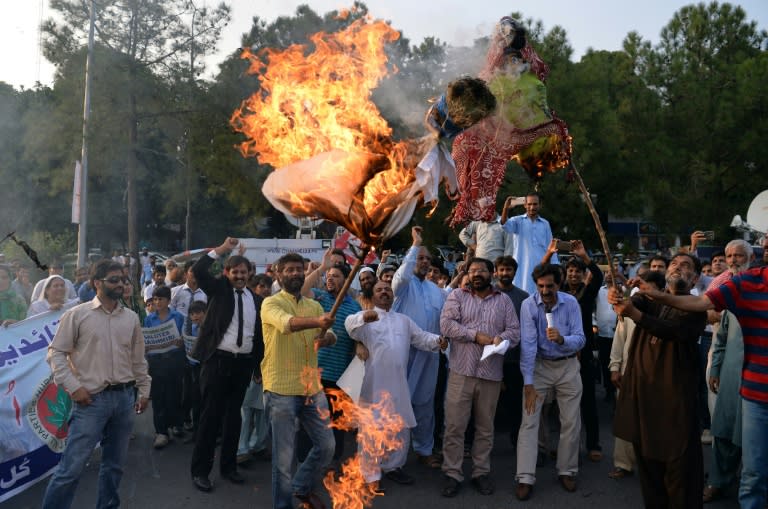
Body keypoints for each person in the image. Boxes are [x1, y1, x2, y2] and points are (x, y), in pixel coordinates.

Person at [42, 260, 150, 509]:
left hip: (124, 399)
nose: (121, 284)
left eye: (124, 280)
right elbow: (56, 353)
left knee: (114, 466)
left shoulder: (131, 318)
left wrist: (144, 390)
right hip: (91, 401)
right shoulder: (77, 315)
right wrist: (73, 387)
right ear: (96, 283)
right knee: (71, 469)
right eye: (114, 280)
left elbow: (137, 359)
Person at [608, 253, 707, 509]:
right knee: (649, 471)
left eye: (686, 266)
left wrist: (635, 315)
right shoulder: (650, 298)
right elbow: (638, 303)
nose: (678, 268)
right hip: (644, 396)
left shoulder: (696, 306)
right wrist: (618, 298)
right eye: (674, 264)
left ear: (695, 277)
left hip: (675, 400)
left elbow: (673, 331)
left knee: (680, 471)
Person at [345, 281, 448, 490]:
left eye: (387, 289)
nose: (384, 292)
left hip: (399, 384)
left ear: (393, 296)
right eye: (379, 289)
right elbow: (349, 326)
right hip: (373, 384)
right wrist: (364, 317)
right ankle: (370, 473)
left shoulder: (403, 320)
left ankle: (393, 467)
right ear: (371, 296)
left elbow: (421, 338)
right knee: (372, 428)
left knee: (399, 427)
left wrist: (438, 341)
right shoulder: (365, 319)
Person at [438, 257, 520, 497]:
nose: (476, 274)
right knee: (454, 426)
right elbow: (447, 325)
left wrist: (500, 340)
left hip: (491, 374)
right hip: (461, 372)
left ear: (491, 273)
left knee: (485, 427)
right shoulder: (457, 296)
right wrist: (476, 336)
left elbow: (514, 332)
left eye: (481, 270)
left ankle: (480, 472)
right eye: (472, 271)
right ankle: (452, 473)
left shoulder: (503, 300)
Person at [260, 252, 336, 509]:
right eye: (289, 270)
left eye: (298, 269)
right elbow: (287, 324)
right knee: (283, 462)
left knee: (327, 446)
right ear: (278, 275)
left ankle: (301, 486)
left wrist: (326, 337)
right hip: (281, 389)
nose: (295, 273)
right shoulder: (271, 304)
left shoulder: (313, 305)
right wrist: (317, 322)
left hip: (311, 388)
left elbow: (331, 335)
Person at [189, 238, 264, 492]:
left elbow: (259, 335)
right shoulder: (219, 290)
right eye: (235, 272)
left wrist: (257, 366)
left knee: (234, 419)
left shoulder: (256, 300)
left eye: (244, 272)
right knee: (210, 418)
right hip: (217, 363)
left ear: (250, 273)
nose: (240, 276)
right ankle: (200, 471)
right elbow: (198, 271)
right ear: (227, 273)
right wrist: (221, 250)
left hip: (242, 365)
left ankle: (229, 467)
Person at [515, 263, 585, 501]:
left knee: (571, 422)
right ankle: (525, 476)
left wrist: (563, 339)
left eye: (550, 286)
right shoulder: (528, 305)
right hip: (540, 366)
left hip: (567, 366)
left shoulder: (571, 303)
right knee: (529, 421)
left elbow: (581, 339)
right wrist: (528, 382)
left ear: (560, 282)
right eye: (541, 286)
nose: (545, 291)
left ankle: (567, 470)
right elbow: (528, 344)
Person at [299, 250, 362, 468]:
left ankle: (333, 459)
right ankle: (305, 459)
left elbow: (358, 339)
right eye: (329, 276)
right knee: (310, 418)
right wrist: (321, 268)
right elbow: (301, 290)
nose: (330, 279)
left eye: (335, 276)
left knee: (337, 421)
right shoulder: (319, 297)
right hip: (314, 370)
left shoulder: (355, 307)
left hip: (340, 373)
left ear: (346, 280)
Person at [392, 226, 447, 468]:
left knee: (424, 404)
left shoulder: (437, 291)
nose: (424, 262)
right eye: (420, 258)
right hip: (403, 355)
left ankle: (424, 450)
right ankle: (394, 456)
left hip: (430, 355)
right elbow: (403, 276)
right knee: (397, 404)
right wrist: (415, 244)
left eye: (427, 259)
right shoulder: (402, 285)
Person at [546, 240, 604, 462]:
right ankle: (564, 446)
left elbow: (597, 276)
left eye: (577, 271)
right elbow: (539, 276)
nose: (572, 274)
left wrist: (585, 255)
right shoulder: (556, 294)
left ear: (582, 274)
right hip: (560, 352)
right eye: (569, 270)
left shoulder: (587, 293)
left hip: (584, 352)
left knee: (588, 401)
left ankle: (593, 445)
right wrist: (550, 252)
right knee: (561, 406)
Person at [606, 269, 665, 480]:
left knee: (655, 420)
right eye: (641, 289)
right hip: (628, 371)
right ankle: (623, 464)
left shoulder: (667, 310)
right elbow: (619, 338)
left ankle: (655, 463)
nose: (645, 293)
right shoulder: (630, 308)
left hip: (656, 374)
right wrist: (615, 367)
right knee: (625, 418)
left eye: (650, 289)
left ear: (662, 291)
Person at [493, 255, 529, 448]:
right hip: (491, 360)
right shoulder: (489, 294)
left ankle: (517, 442)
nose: (505, 273)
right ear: (495, 272)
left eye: (509, 270)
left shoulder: (523, 297)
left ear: (515, 272)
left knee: (516, 405)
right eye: (502, 270)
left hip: (515, 360)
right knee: (488, 406)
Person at [144, 285, 186, 448]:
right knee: (158, 397)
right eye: (155, 299)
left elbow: (184, 338)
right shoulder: (149, 319)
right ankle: (161, 432)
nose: (157, 302)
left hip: (174, 360)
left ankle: (174, 424)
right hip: (156, 361)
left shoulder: (178, 317)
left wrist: (180, 341)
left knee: (174, 395)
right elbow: (146, 339)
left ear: (168, 300)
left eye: (161, 299)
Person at [500, 193, 557, 294]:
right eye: (529, 204)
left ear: (540, 205)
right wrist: (506, 208)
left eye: (535, 204)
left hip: (540, 267)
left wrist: (555, 265)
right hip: (521, 267)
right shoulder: (517, 221)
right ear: (525, 205)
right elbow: (504, 224)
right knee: (521, 294)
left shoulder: (545, 223)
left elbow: (551, 246)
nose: (532, 207)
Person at [170, 260, 208, 334]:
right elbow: (170, 312)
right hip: (177, 331)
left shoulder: (205, 294)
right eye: (192, 271)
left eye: (198, 271)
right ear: (185, 274)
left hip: (197, 334)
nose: (195, 274)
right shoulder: (175, 291)